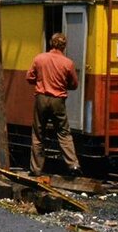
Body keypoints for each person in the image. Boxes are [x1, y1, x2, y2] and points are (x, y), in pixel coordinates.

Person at [26, 32, 81, 176]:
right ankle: (73, 165)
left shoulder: (39, 58)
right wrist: (62, 85)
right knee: (63, 132)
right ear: (64, 46)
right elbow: (74, 84)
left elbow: (29, 77)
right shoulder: (68, 63)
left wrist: (40, 81)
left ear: (51, 43)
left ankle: (36, 169)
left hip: (41, 98)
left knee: (38, 133)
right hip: (58, 100)